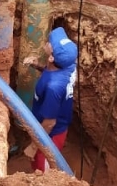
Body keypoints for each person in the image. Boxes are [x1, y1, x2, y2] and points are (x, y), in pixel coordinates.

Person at [22, 27, 78, 172]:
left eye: (50, 43)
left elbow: (49, 123)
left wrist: (34, 146)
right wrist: (37, 66)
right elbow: (53, 73)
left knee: (42, 173)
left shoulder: (53, 88)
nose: (47, 42)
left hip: (49, 136)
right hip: (46, 129)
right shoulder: (68, 64)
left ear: (52, 58)